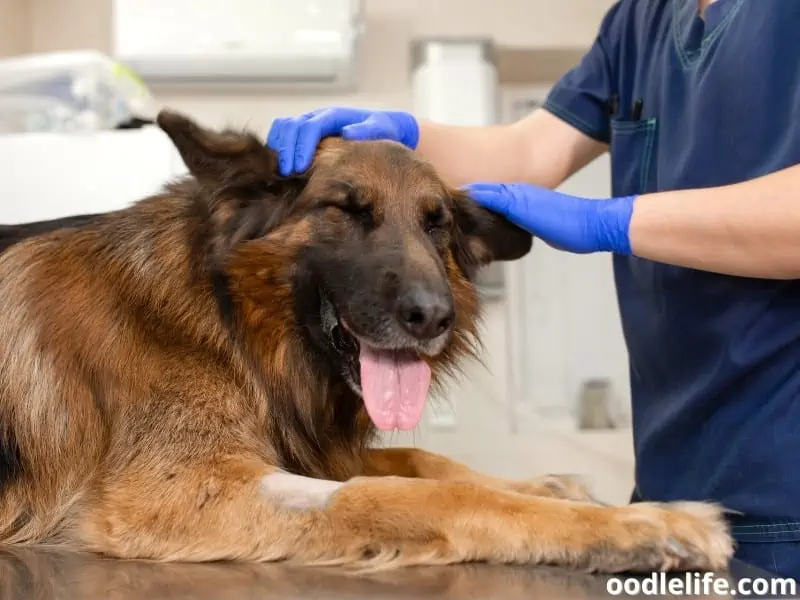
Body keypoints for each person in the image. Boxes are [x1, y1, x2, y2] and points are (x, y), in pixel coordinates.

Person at [266, 0, 800, 579]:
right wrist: (407, 134)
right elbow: (530, 153)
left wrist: (609, 221)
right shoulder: (639, 21)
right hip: (674, 478)